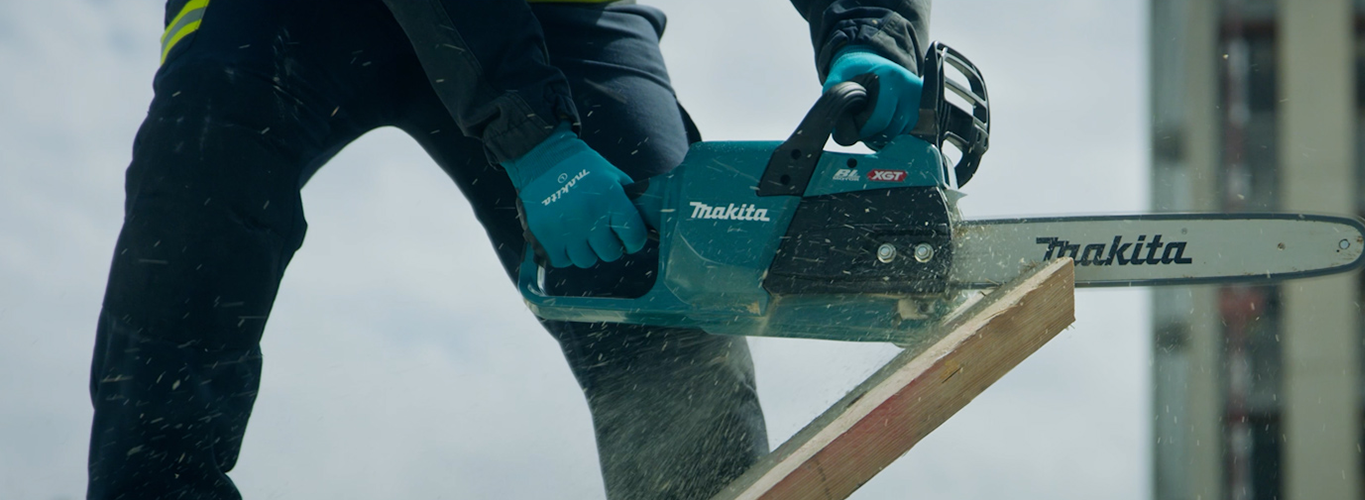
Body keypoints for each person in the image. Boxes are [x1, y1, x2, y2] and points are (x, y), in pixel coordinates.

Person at [87, 0, 929, 498]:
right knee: (198, 191)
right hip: (282, 16)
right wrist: (531, 134)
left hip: (560, 12)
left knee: (659, 283)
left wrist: (869, 30)